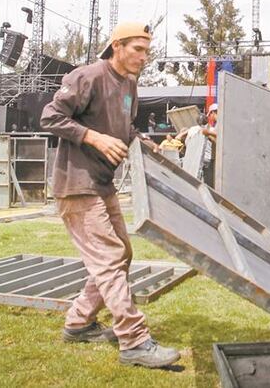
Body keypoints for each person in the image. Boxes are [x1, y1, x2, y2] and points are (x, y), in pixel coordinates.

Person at [40, 21, 180, 369]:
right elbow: (50, 116)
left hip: (102, 184)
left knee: (122, 254)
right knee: (110, 258)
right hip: (77, 185)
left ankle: (79, 322)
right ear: (117, 46)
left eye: (147, 50)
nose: (144, 57)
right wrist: (92, 138)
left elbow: (124, 128)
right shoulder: (88, 76)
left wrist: (144, 143)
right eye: (138, 49)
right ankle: (133, 341)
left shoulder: (129, 83)